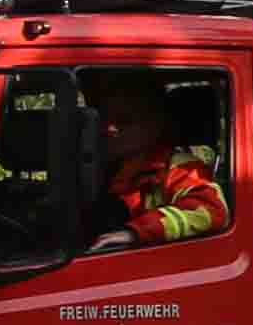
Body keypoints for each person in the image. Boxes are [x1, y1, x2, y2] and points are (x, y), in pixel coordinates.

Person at [92, 73, 225, 247]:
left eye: (124, 120)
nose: (110, 128)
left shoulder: (182, 168)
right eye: (106, 119)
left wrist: (135, 232)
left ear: (154, 125)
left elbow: (209, 211)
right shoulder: (99, 164)